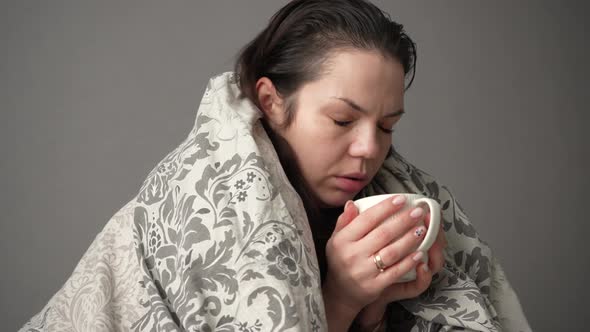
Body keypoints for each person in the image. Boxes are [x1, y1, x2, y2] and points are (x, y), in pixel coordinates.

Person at [21, 1, 531, 331]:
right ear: (271, 102)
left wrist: (378, 307)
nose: (368, 149)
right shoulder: (214, 194)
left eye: (388, 125)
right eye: (341, 119)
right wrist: (342, 296)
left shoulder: (367, 200)